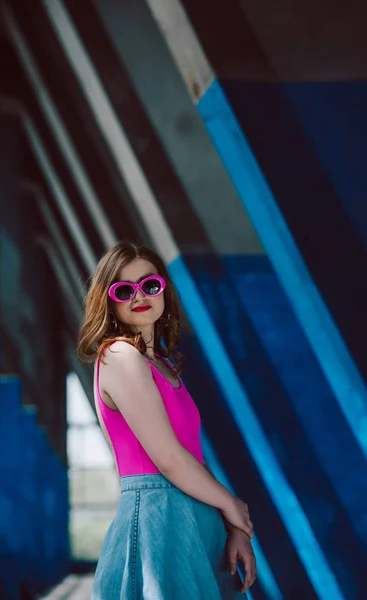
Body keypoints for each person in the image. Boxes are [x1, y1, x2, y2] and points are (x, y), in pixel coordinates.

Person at [77, 241, 257, 599]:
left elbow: (191, 458)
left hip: (196, 515)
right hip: (159, 520)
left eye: (150, 284)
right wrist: (232, 504)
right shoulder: (119, 355)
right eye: (124, 290)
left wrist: (231, 525)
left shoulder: (161, 364)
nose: (139, 295)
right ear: (109, 301)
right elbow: (169, 459)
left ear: (163, 290)